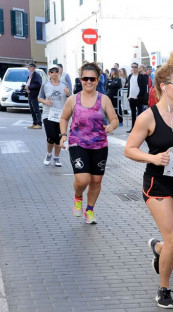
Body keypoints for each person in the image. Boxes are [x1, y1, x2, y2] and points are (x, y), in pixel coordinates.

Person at [124, 50, 173, 309]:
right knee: (172, 238)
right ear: (163, 87)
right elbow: (129, 149)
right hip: (157, 183)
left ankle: (158, 249)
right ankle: (164, 288)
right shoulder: (148, 117)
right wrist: (153, 158)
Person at [59, 62, 119, 224]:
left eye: (92, 78)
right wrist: (63, 135)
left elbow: (114, 119)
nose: (88, 82)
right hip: (78, 143)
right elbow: (64, 118)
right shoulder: (73, 100)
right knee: (83, 180)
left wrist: (111, 126)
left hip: (100, 145)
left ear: (98, 79)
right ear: (80, 79)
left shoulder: (104, 99)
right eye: (85, 78)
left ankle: (89, 210)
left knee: (96, 181)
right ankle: (78, 198)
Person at [38, 65, 70, 167]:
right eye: (52, 72)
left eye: (56, 71)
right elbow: (39, 98)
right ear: (49, 74)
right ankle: (48, 154)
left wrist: (68, 93)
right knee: (51, 137)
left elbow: (71, 98)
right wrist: (45, 101)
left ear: (59, 73)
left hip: (61, 115)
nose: (54, 73)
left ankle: (56, 157)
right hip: (48, 114)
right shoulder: (45, 85)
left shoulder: (64, 84)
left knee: (58, 139)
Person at [125, 62, 148, 133]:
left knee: (140, 114)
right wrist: (128, 95)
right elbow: (129, 87)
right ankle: (133, 128)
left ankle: (141, 128)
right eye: (132, 67)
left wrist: (138, 96)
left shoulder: (141, 76)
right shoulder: (130, 76)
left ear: (138, 68)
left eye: (135, 67)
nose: (134, 68)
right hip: (131, 98)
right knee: (133, 114)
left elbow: (143, 88)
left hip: (138, 98)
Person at [25, 62, 42, 129]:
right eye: (28, 67)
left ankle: (39, 123)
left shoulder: (36, 75)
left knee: (36, 109)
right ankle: (34, 123)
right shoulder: (30, 75)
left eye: (29, 67)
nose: (28, 68)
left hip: (34, 94)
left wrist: (29, 87)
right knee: (32, 109)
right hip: (30, 94)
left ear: (33, 68)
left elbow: (38, 84)